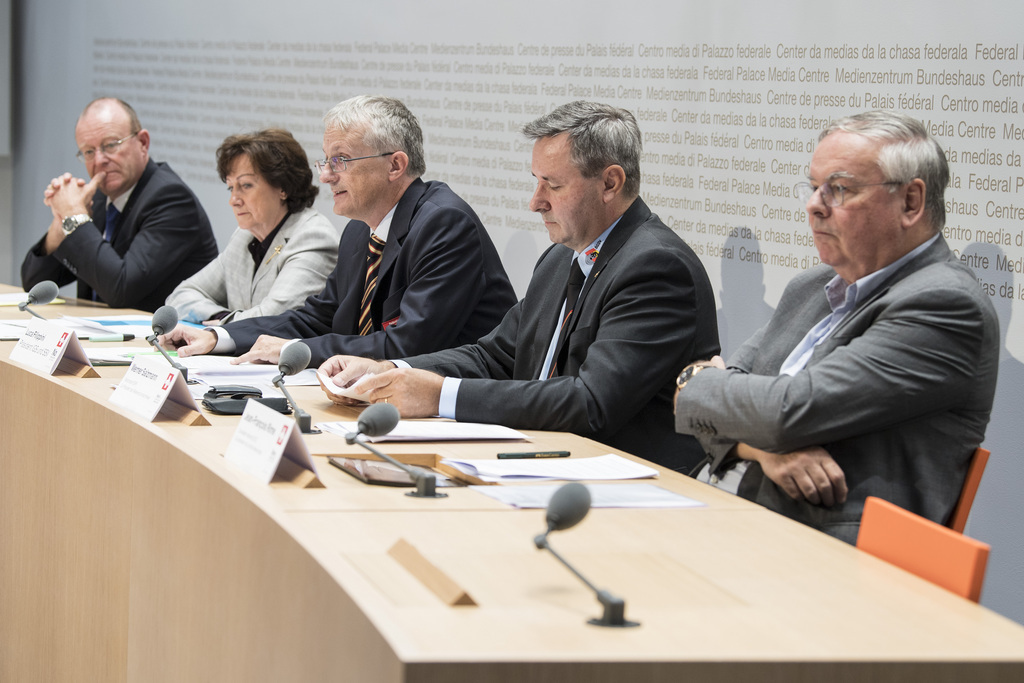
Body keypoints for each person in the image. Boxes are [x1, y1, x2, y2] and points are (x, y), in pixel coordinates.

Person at [320, 101, 719, 471]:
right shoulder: (562, 257)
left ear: (610, 183)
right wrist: (391, 369)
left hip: (626, 483)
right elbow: (494, 356)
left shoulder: (656, 267)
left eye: (553, 185)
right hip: (544, 463)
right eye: (536, 182)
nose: (535, 201)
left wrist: (440, 395)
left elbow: (591, 403)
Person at [673, 110, 999, 543]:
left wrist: (696, 381)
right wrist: (760, 448)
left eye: (840, 189)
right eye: (813, 188)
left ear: (911, 202)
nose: (814, 205)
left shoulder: (945, 305)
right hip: (732, 513)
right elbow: (712, 409)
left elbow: (786, 411)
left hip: (826, 550)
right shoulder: (812, 286)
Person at [159, 95, 515, 365]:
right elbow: (317, 317)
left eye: (340, 161)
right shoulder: (359, 231)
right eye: (326, 161)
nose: (326, 175)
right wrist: (218, 336)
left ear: (395, 165)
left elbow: (407, 346)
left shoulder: (444, 224)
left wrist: (293, 350)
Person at [21, 98, 217, 312]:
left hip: (164, 340)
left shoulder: (171, 199)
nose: (99, 160)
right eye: (88, 151)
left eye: (111, 145)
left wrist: (75, 217)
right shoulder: (97, 201)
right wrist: (61, 223)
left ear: (143, 142)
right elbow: (33, 284)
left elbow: (121, 289)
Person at [166, 129, 339, 325]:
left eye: (246, 185)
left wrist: (223, 324)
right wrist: (219, 317)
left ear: (283, 187)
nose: (234, 200)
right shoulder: (244, 236)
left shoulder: (313, 237)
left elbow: (273, 319)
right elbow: (181, 296)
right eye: (231, 187)